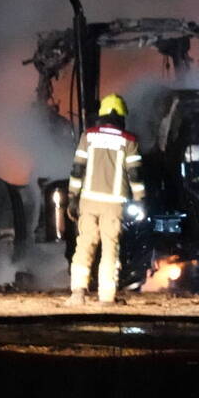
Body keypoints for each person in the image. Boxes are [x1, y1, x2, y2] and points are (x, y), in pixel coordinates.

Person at [63, 94, 145, 306]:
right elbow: (134, 175)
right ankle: (107, 298)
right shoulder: (129, 141)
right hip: (114, 205)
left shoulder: (88, 136)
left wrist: (72, 197)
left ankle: (77, 294)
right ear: (119, 116)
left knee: (84, 245)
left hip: (88, 202)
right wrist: (140, 200)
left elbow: (77, 169)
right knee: (110, 249)